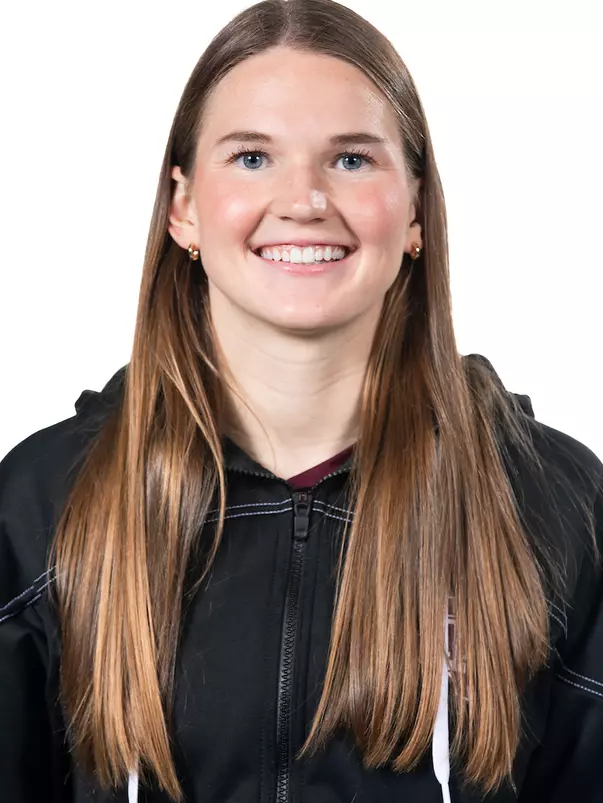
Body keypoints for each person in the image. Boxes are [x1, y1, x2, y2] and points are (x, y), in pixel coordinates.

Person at [1, 0, 602, 801]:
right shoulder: (46, 503)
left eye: (351, 160)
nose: (304, 198)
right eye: (252, 157)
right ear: (182, 208)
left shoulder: (550, 506)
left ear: (417, 207)